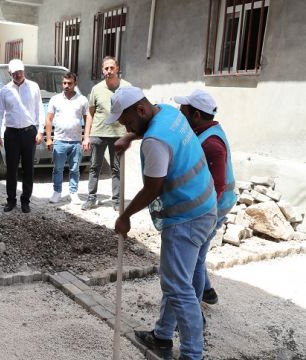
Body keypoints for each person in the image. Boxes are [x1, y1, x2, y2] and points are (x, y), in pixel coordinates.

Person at [110, 87, 217, 360]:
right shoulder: (168, 112)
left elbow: (152, 190)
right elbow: (148, 126)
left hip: (187, 218)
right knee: (175, 279)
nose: (127, 126)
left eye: (127, 121)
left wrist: (125, 217)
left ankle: (193, 354)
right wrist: (130, 136)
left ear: (141, 110)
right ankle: (162, 336)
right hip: (205, 204)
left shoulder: (155, 142)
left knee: (179, 288)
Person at [175, 89, 237, 305]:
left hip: (215, 207)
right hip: (215, 204)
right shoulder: (206, 132)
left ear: (196, 116)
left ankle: (195, 310)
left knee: (196, 261)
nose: (179, 115)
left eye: (183, 112)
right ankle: (207, 292)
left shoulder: (211, 144)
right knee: (198, 257)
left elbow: (218, 185)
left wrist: (203, 215)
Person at [0, 59, 43, 213]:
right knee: (11, 168)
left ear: (24, 71)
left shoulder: (34, 87)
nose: (18, 75)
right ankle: (11, 200)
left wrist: (40, 130)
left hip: (29, 133)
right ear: (10, 74)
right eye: (15, 73)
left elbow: (39, 109)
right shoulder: (5, 90)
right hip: (11, 134)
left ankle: (26, 201)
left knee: (28, 168)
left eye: (20, 72)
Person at [81, 56, 131, 211]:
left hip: (119, 135)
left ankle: (116, 201)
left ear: (117, 69)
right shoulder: (96, 89)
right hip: (99, 134)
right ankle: (91, 198)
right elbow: (90, 114)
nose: (109, 71)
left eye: (111, 68)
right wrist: (86, 136)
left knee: (117, 169)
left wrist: (129, 134)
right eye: (106, 68)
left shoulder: (127, 87)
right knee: (94, 167)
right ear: (102, 71)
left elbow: (132, 111)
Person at [45, 72, 89, 205]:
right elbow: (49, 119)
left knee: (75, 169)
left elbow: (87, 119)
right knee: (58, 169)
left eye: (69, 83)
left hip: (76, 141)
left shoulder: (82, 100)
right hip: (59, 140)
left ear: (75, 84)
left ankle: (74, 193)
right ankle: (57, 192)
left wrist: (86, 138)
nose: (66, 86)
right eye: (64, 83)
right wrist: (48, 138)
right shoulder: (55, 99)